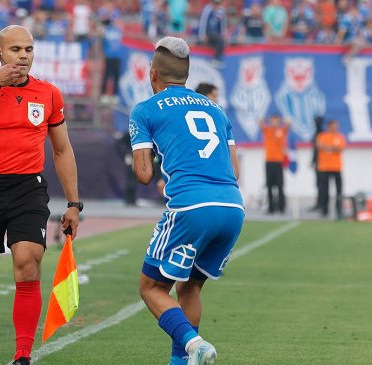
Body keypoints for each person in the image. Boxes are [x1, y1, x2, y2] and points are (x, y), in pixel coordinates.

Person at [0, 25, 81, 365]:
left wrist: (74, 204)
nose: (23, 56)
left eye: (28, 49)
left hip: (28, 190)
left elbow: (62, 151)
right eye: (16, 49)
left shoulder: (48, 94)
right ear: (0, 54)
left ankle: (22, 354)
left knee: (28, 265)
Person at [129, 36, 243, 365]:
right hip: (232, 207)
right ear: (186, 76)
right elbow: (234, 170)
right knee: (190, 288)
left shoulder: (145, 110)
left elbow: (144, 174)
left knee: (151, 287)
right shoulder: (216, 110)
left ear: (153, 74)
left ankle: (195, 344)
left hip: (191, 206)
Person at [316, 119, 346, 219]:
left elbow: (340, 148)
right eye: (333, 126)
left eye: (336, 126)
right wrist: (333, 148)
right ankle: (324, 209)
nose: (335, 128)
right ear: (329, 126)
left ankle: (339, 209)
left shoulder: (340, 137)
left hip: (336, 167)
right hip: (324, 167)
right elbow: (319, 145)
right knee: (324, 190)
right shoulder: (322, 136)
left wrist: (328, 147)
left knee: (339, 190)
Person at [260, 114, 289, 214]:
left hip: (278, 161)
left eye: (276, 120)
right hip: (269, 161)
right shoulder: (267, 130)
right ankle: (271, 207)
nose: (274, 122)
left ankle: (281, 207)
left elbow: (288, 124)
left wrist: (285, 119)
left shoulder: (282, 131)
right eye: (273, 120)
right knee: (269, 185)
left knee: (280, 185)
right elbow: (260, 123)